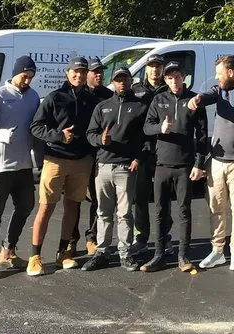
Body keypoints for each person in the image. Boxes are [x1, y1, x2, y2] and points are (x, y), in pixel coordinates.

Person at [27, 55, 98, 276]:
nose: (79, 75)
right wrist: (58, 135)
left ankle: (63, 253)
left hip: (82, 161)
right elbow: (35, 127)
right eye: (75, 71)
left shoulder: (91, 99)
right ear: (67, 73)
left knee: (72, 207)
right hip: (56, 159)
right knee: (46, 206)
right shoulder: (55, 97)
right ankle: (35, 256)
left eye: (83, 72)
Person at [187, 55, 234, 271]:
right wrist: (198, 98)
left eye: (219, 74)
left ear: (230, 72)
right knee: (216, 208)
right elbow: (210, 94)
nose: (217, 79)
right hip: (217, 162)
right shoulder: (220, 90)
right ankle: (217, 251)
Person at [0, 55, 41, 281]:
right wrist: (3, 135)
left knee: (26, 205)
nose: (27, 81)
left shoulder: (33, 97)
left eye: (31, 78)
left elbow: (35, 127)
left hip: (23, 164)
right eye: (24, 76)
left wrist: (38, 158)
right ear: (15, 73)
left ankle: (9, 251)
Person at [140, 61, 208, 273]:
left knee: (184, 211)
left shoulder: (195, 100)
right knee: (160, 211)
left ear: (184, 77)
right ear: (165, 80)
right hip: (162, 164)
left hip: (185, 166)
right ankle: (159, 255)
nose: (174, 81)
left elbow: (203, 136)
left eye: (177, 76)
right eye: (169, 78)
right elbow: (146, 128)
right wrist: (161, 127)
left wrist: (199, 163)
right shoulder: (159, 99)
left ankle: (183, 256)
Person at [82, 67, 147, 272]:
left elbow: (148, 139)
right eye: (118, 79)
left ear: (130, 80)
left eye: (125, 79)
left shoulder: (139, 107)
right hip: (103, 166)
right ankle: (101, 252)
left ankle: (125, 253)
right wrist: (99, 140)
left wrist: (139, 157)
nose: (122, 83)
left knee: (125, 213)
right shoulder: (103, 107)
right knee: (103, 212)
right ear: (113, 82)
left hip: (125, 167)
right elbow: (90, 133)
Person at [73, 56, 113, 256]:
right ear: (86, 74)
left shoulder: (108, 95)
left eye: (102, 71)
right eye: (95, 71)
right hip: (79, 155)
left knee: (98, 200)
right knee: (75, 199)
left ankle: (92, 238)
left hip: (100, 155)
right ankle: (71, 240)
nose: (99, 75)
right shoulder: (78, 94)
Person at [133, 53, 169, 254]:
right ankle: (142, 237)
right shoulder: (136, 90)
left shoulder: (170, 89)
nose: (155, 69)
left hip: (165, 150)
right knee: (140, 197)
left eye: (158, 66)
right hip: (142, 151)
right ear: (146, 68)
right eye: (152, 66)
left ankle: (165, 237)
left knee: (164, 198)